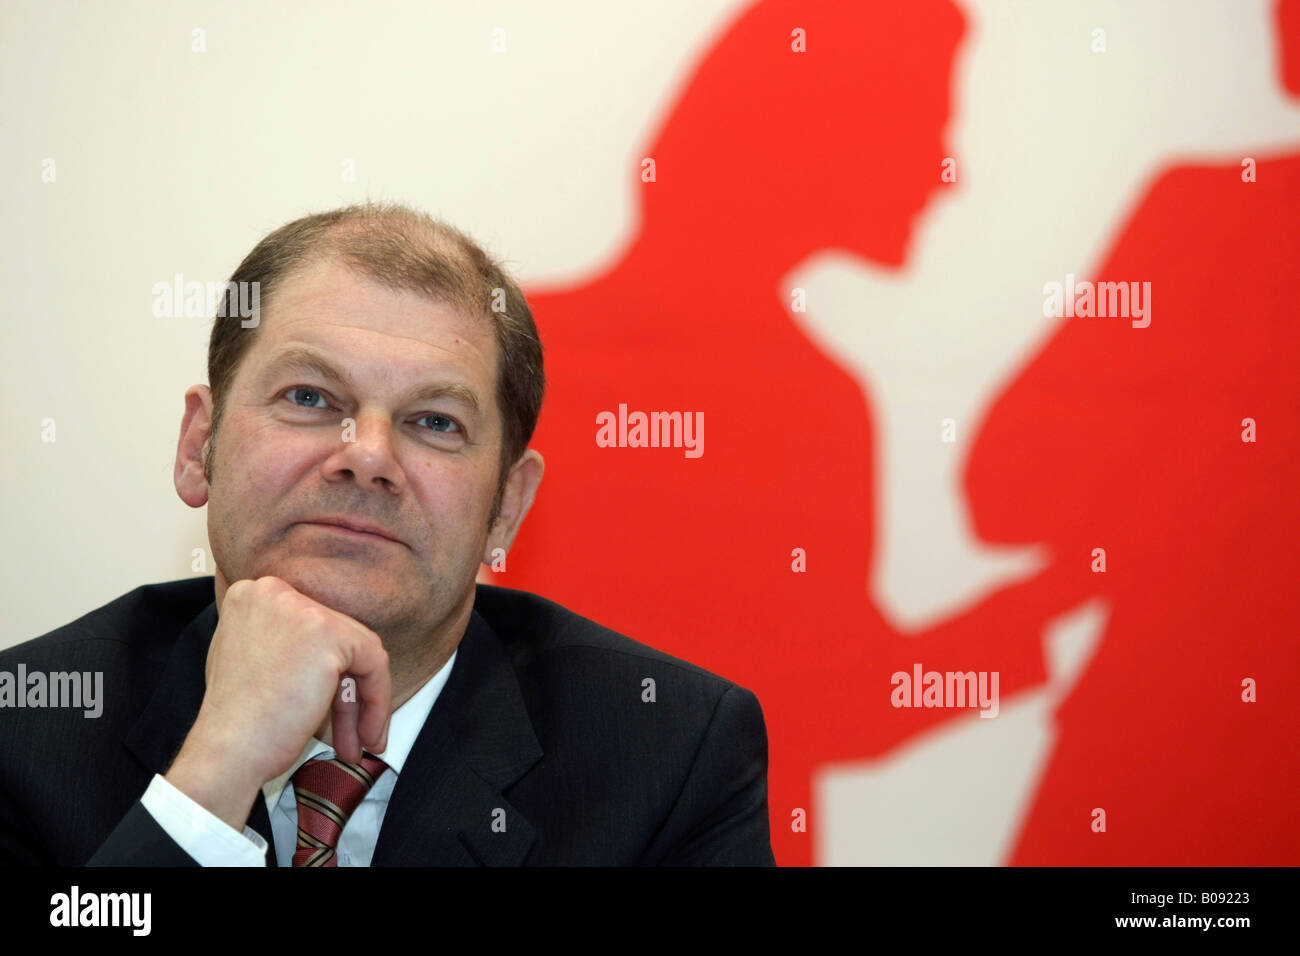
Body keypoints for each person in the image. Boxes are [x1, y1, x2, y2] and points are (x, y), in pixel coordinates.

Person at [0, 203, 776, 866]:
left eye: (434, 422)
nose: (368, 456)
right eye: (309, 396)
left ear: (506, 504)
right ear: (198, 444)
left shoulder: (668, 755)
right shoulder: (27, 734)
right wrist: (209, 780)